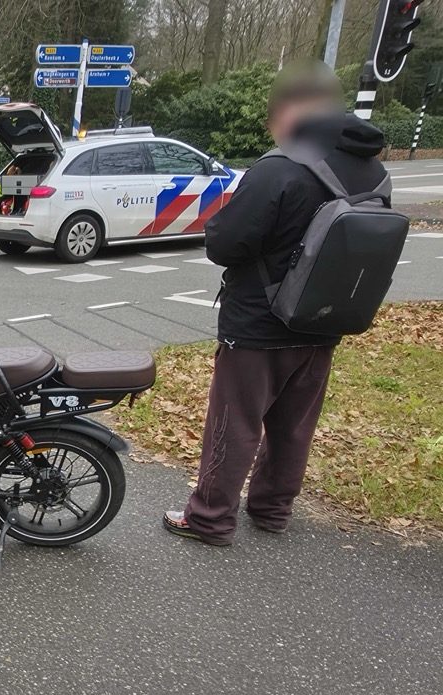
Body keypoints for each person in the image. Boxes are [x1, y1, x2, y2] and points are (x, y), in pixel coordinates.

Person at [163, 62, 389, 546]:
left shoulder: (280, 168)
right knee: (293, 427)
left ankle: (209, 518)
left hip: (258, 323)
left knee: (235, 422)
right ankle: (271, 510)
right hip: (327, 320)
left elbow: (225, 244)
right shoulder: (373, 171)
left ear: (292, 111)